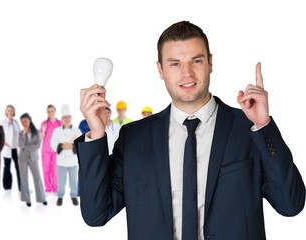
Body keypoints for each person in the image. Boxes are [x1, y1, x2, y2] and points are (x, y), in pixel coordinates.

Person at [75, 21, 305, 240]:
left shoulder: (248, 128)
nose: (187, 74)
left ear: (210, 63)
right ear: (160, 69)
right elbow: (96, 214)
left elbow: (290, 205)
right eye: (175, 63)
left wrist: (264, 127)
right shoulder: (134, 138)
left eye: (196, 61)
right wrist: (96, 134)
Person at [51, 104, 81, 206]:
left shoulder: (76, 130)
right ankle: (60, 196)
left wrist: (72, 146)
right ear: (62, 119)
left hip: (72, 160)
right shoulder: (57, 131)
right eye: (64, 117)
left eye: (68, 117)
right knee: (61, 181)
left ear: (71, 118)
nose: (67, 119)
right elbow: (52, 143)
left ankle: (73, 196)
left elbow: (81, 143)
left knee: (73, 180)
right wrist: (62, 145)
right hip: (61, 161)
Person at [18, 113, 47, 207]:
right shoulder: (21, 133)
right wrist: (23, 135)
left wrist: (26, 147)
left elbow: (38, 145)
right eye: (22, 122)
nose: (24, 123)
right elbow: (20, 145)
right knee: (24, 178)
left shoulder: (37, 132)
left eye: (25, 121)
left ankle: (41, 198)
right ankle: (27, 199)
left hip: (33, 157)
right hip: (22, 158)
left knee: (37, 177)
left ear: (29, 120)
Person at [40, 104, 62, 195]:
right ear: (47, 113)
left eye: (52, 111)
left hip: (56, 150)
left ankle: (55, 189)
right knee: (46, 170)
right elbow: (42, 137)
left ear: (55, 111)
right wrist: (44, 130)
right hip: (46, 150)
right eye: (49, 111)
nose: (51, 113)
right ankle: (48, 189)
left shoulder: (60, 123)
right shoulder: (44, 123)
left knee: (55, 170)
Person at [1, 104, 21, 191]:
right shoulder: (3, 122)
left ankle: (21, 186)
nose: (9, 112)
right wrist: (3, 142)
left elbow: (20, 134)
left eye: (11, 110)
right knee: (7, 167)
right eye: (8, 110)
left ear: (14, 112)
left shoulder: (16, 122)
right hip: (7, 148)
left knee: (19, 167)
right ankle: (7, 186)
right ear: (6, 112)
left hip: (16, 148)